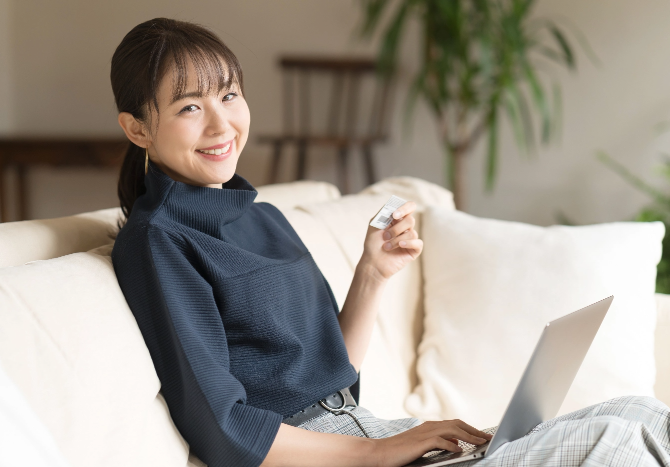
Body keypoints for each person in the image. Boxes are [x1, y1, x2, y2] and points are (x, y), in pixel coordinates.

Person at [109, 17, 670, 467]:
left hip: (375, 434)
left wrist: (371, 274)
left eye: (229, 96)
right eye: (189, 107)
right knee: (611, 447)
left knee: (643, 414)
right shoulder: (158, 241)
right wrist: (377, 453)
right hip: (341, 456)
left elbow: (336, 378)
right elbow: (223, 429)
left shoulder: (264, 216)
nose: (221, 125)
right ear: (137, 128)